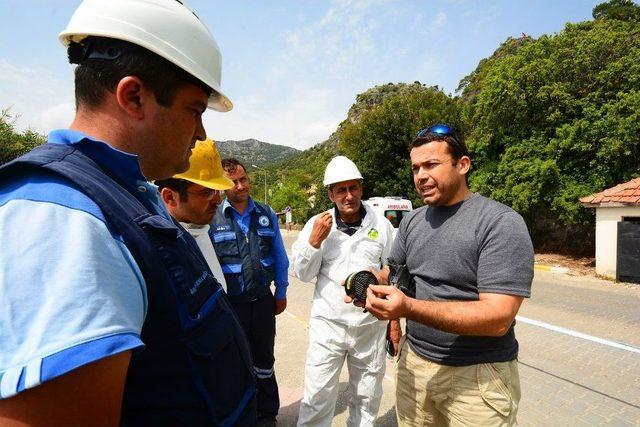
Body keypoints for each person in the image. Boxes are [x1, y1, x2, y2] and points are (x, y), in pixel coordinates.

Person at [0, 1, 256, 426]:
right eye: (194, 110)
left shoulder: (126, 191)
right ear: (134, 96)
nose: (201, 133)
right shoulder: (63, 220)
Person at [351, 124, 534, 426]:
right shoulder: (412, 222)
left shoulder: (500, 222)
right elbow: (393, 273)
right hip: (414, 366)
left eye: (431, 164)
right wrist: (371, 281)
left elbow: (498, 318)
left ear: (462, 165)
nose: (420, 175)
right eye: (415, 168)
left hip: (477, 378)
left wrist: (407, 308)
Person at [291, 156, 396, 427]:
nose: (348, 196)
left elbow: (394, 272)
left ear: (361, 188)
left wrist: (393, 323)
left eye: (353, 188)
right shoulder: (318, 224)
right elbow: (302, 274)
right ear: (331, 193)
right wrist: (314, 242)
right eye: (341, 190)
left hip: (369, 327)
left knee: (366, 398)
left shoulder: (381, 225)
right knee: (317, 397)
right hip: (329, 327)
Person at [210, 158, 289, 426]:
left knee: (264, 359)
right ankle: (242, 413)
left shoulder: (265, 213)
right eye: (234, 181)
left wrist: (281, 290)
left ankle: (266, 414)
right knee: (235, 362)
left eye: (244, 179)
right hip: (231, 305)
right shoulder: (213, 217)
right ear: (222, 185)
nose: (241, 186)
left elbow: (279, 255)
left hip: (263, 302)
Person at [156, 138, 233, 291]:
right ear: (170, 197)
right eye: (208, 192)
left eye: (218, 191)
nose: (218, 200)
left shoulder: (199, 228)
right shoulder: (156, 251)